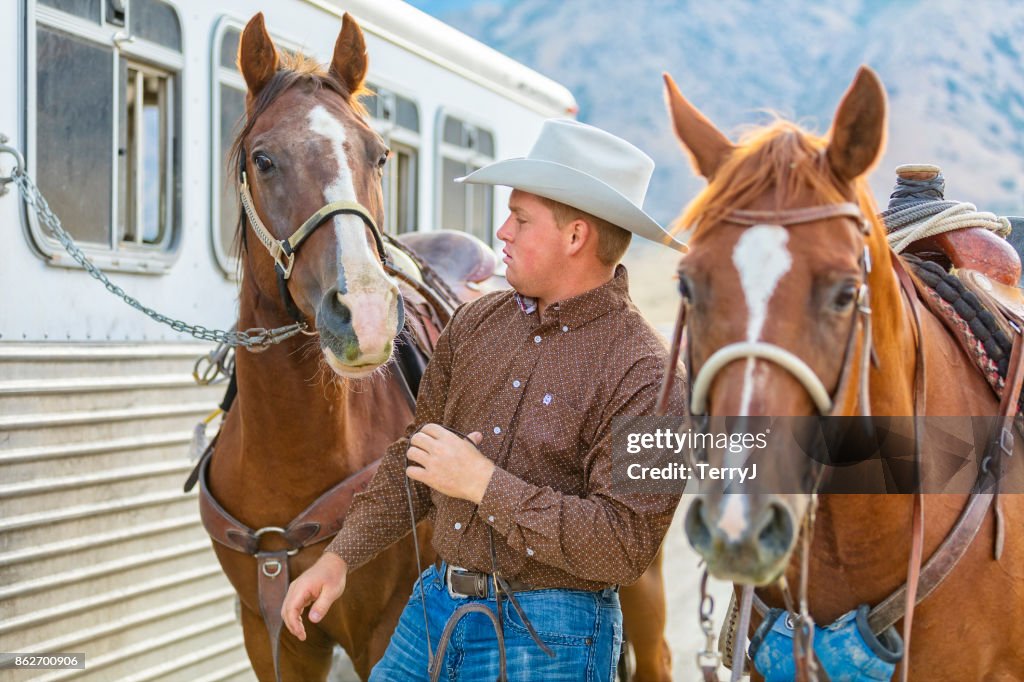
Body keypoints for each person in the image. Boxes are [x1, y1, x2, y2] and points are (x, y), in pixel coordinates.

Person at [281, 118, 687, 680]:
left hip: (554, 637)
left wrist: (482, 484)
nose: (502, 231)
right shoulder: (474, 324)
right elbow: (413, 460)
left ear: (576, 237)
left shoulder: (651, 375)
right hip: (434, 612)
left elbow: (624, 546)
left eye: (520, 219)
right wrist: (339, 557)